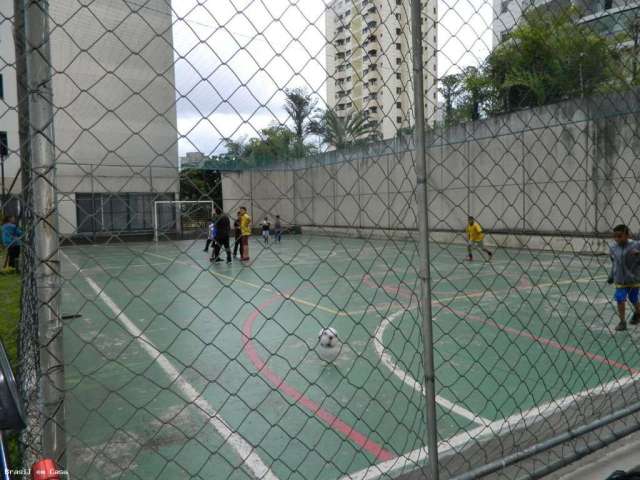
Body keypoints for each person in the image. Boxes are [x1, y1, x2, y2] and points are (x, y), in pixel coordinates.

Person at [607, 224, 640, 332]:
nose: (617, 239)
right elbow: (614, 263)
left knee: (633, 299)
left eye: (620, 236)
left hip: (633, 279)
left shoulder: (636, 245)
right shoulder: (613, 248)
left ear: (627, 235)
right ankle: (622, 322)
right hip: (620, 280)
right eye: (615, 236)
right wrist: (611, 275)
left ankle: (637, 313)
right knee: (620, 299)